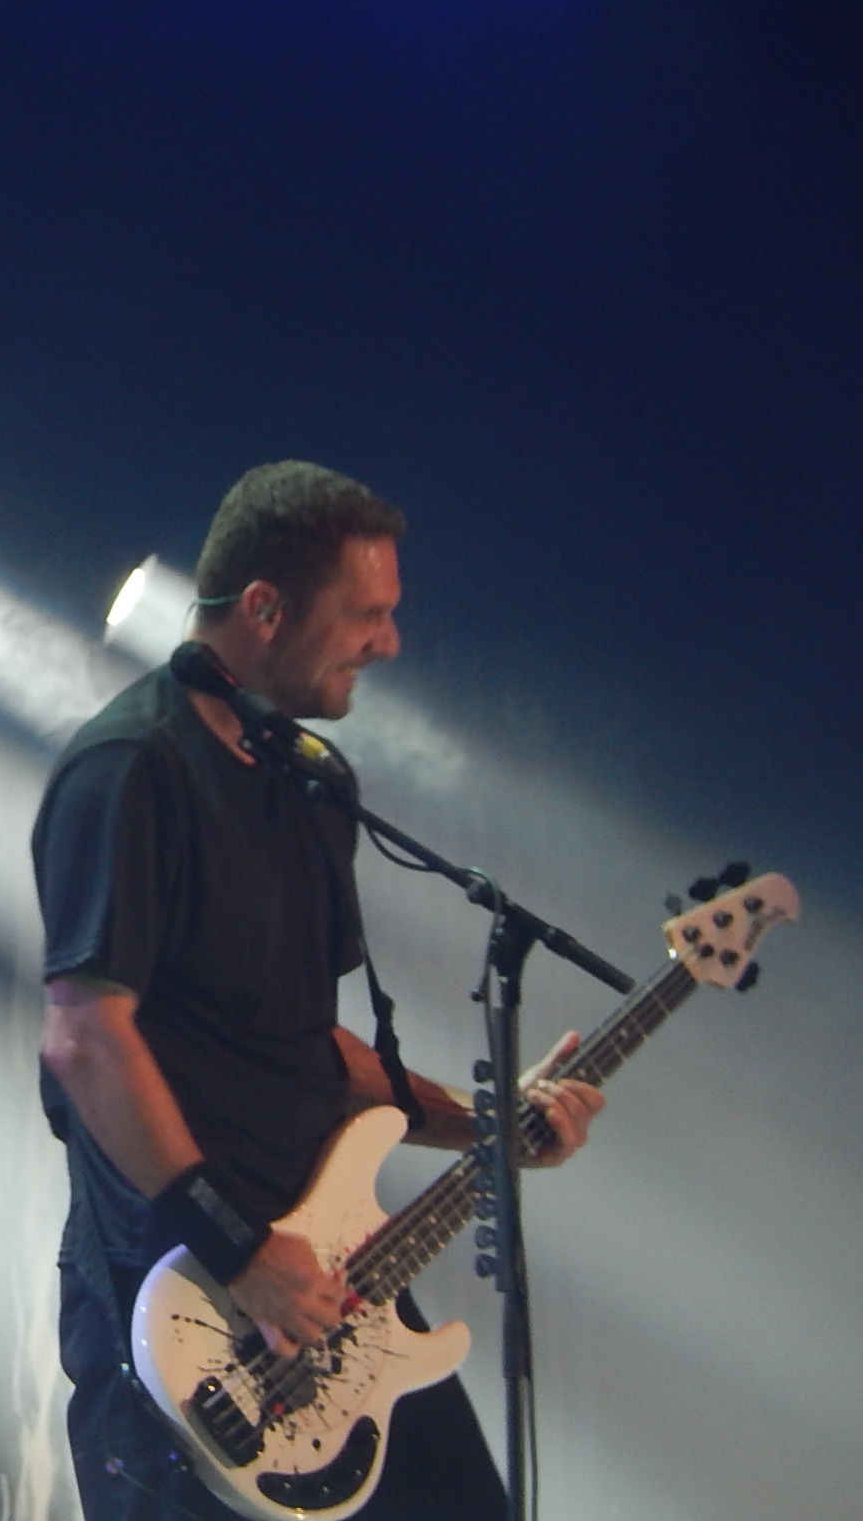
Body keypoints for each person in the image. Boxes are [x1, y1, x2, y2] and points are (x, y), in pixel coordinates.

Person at [33, 461, 607, 1521]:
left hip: (332, 1281)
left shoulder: (311, 780)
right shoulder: (129, 767)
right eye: (366, 614)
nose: (388, 643)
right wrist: (241, 1250)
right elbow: (85, 1041)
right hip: (187, 1301)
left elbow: (313, 1047)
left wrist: (491, 1129)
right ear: (264, 607)